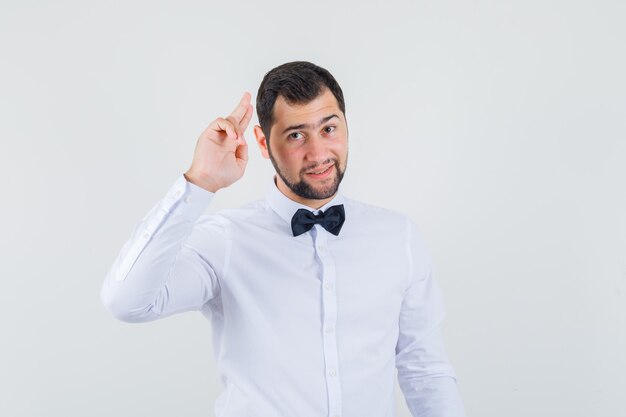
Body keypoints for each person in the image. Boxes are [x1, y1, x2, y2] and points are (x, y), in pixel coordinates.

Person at [101, 61, 467, 417]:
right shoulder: (226, 241)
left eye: (329, 129)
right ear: (263, 141)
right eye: (296, 135)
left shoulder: (397, 237)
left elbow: (426, 372)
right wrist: (200, 182)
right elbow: (127, 301)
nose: (318, 153)